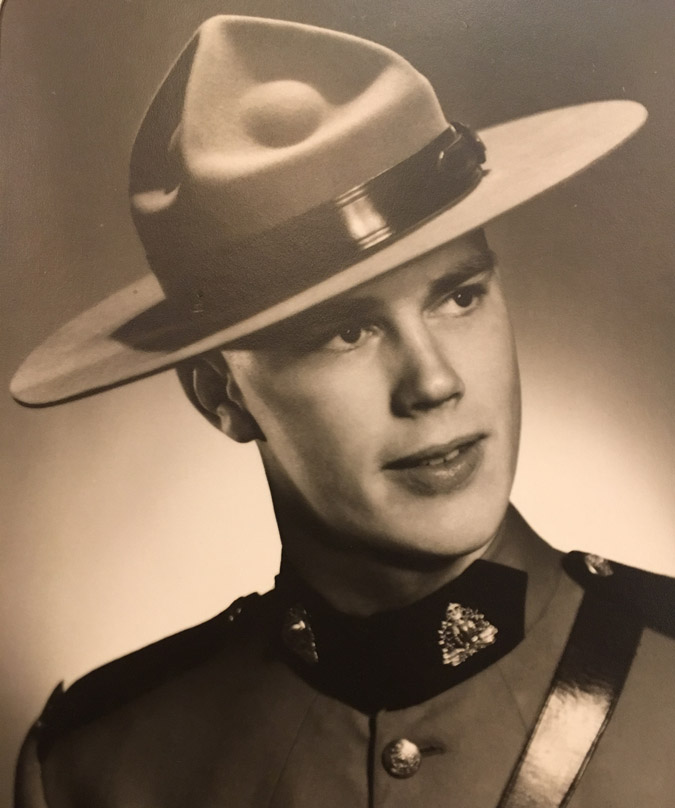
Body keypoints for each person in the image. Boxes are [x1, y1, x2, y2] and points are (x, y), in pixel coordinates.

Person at [11, 15, 674, 808]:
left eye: (458, 297)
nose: (431, 382)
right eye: (346, 331)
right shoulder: (97, 766)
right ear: (221, 395)